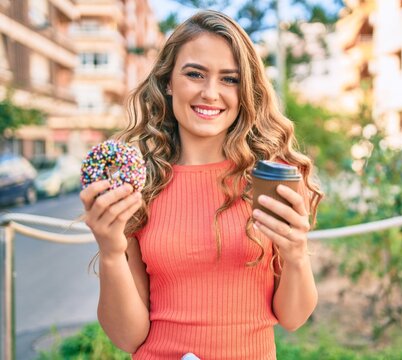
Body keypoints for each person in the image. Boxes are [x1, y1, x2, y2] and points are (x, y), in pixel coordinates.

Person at [79, 10, 323, 360]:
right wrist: (111, 252)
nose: (211, 93)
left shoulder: (272, 181)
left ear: (245, 90)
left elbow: (294, 318)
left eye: (229, 79)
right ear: (168, 81)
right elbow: (128, 337)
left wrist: (296, 253)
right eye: (195, 74)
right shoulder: (138, 187)